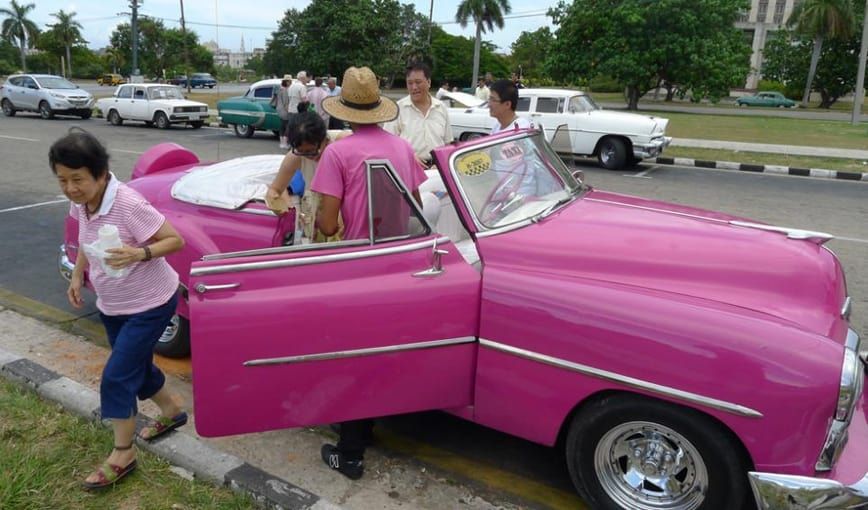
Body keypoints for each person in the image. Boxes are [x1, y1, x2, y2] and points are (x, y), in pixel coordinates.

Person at [50, 130, 186, 490]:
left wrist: (139, 253)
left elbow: (175, 239)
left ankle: (123, 453)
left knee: (116, 376)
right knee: (135, 367)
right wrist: (78, 274)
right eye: (62, 179)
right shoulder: (82, 202)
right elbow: (85, 237)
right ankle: (173, 412)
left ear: (100, 173)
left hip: (152, 303)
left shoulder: (128, 203)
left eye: (77, 179)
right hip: (113, 304)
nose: (70, 187)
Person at [312, 66, 426, 478]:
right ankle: (369, 423)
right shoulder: (400, 147)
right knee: (383, 351)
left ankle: (351, 451)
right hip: (399, 261)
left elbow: (326, 225)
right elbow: (415, 203)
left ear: (345, 110)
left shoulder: (338, 153)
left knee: (352, 356)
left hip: (359, 264)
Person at [265, 111, 350, 241]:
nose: (310, 157)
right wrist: (275, 201)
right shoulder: (295, 156)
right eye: (302, 152)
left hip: (346, 211)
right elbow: (275, 189)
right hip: (317, 212)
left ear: (324, 139)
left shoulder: (344, 142)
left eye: (312, 151)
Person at [384, 61, 453, 169]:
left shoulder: (441, 108)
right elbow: (387, 144)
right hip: (408, 168)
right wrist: (408, 155)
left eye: (418, 82)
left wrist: (441, 163)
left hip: (438, 169)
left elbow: (448, 143)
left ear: (429, 82)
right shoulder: (398, 109)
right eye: (410, 83)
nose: (414, 87)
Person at [276, 77, 292, 149]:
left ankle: (281, 143)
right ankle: (285, 143)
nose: (291, 83)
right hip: (284, 110)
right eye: (289, 81)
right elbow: (286, 103)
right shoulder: (285, 90)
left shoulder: (279, 89)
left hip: (279, 109)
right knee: (287, 126)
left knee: (282, 126)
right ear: (287, 82)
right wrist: (289, 111)